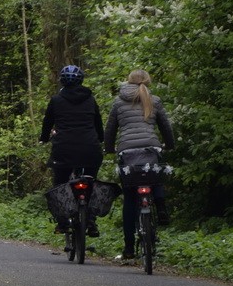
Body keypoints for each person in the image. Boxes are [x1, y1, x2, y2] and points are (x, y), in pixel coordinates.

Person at [103, 69, 175, 259]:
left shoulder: (119, 102)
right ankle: (161, 207)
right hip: (151, 147)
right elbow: (165, 126)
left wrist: (109, 148)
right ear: (147, 81)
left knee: (129, 199)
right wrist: (170, 144)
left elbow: (110, 129)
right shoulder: (154, 100)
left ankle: (128, 248)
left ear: (129, 81)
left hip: (127, 152)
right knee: (154, 175)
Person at [39, 64, 105, 236]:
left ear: (62, 81)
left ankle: (62, 223)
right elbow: (98, 124)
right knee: (90, 181)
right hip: (90, 148)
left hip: (64, 149)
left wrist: (44, 138)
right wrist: (101, 139)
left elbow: (47, 123)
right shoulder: (90, 99)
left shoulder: (56, 100)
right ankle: (90, 221)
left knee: (60, 184)